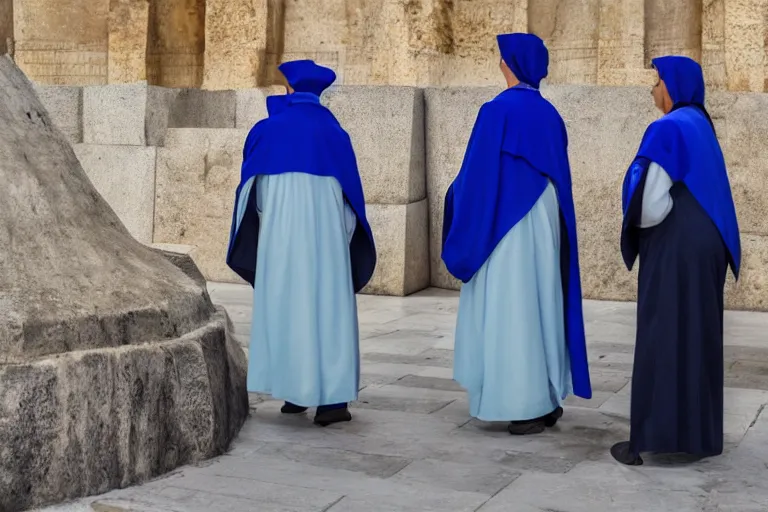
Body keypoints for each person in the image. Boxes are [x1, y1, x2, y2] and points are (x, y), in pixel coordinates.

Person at [441, 33, 592, 435]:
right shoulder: (550, 115)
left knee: (513, 310)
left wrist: (453, 200)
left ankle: (522, 404)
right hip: (543, 224)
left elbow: (476, 177)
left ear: (508, 63)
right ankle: (545, 398)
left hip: (504, 227)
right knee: (541, 305)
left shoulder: (496, 112)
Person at [226, 60, 377, 427]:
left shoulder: (266, 131)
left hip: (281, 240)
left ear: (290, 89)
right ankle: (332, 402)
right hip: (326, 243)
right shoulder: (335, 135)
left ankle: (295, 390)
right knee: (327, 312)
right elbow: (351, 202)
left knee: (287, 309)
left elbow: (253, 194)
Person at [612, 56, 741, 465]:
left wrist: (648, 231)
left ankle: (654, 435)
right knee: (696, 334)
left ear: (671, 87)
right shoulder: (702, 126)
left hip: (677, 243)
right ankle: (696, 437)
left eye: (657, 81)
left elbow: (650, 201)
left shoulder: (668, 127)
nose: (652, 90)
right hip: (706, 246)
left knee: (662, 332)